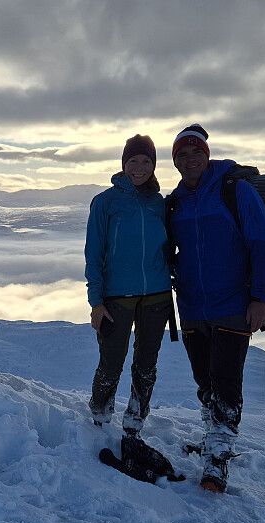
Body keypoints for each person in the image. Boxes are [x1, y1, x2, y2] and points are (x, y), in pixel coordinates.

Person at [165, 124, 265, 493]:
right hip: (193, 306)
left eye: (195, 151)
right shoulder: (175, 202)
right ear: (176, 162)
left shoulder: (236, 191)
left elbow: (262, 243)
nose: (190, 158)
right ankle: (213, 438)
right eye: (182, 154)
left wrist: (261, 297)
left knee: (226, 383)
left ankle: (217, 458)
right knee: (205, 381)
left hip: (233, 303)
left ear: (207, 155)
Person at [84, 135, 174, 437]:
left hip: (157, 295)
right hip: (116, 296)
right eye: (133, 160)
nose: (139, 167)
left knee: (146, 365)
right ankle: (99, 416)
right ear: (123, 164)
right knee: (111, 363)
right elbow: (94, 255)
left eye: (146, 161)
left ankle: (135, 421)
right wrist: (96, 302)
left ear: (154, 165)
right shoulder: (105, 202)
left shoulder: (158, 203)